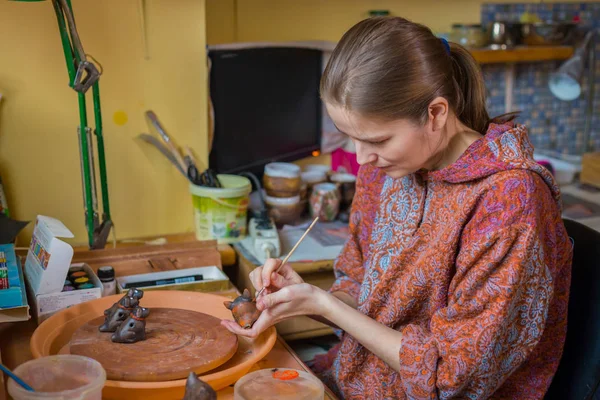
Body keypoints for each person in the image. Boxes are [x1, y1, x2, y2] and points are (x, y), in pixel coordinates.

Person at [221, 16, 572, 399]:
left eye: (378, 139)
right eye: (350, 138)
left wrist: (327, 306)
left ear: (436, 113)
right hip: (357, 381)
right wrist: (303, 297)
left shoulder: (508, 201)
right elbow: (360, 290)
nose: (362, 158)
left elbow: (449, 378)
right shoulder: (386, 170)